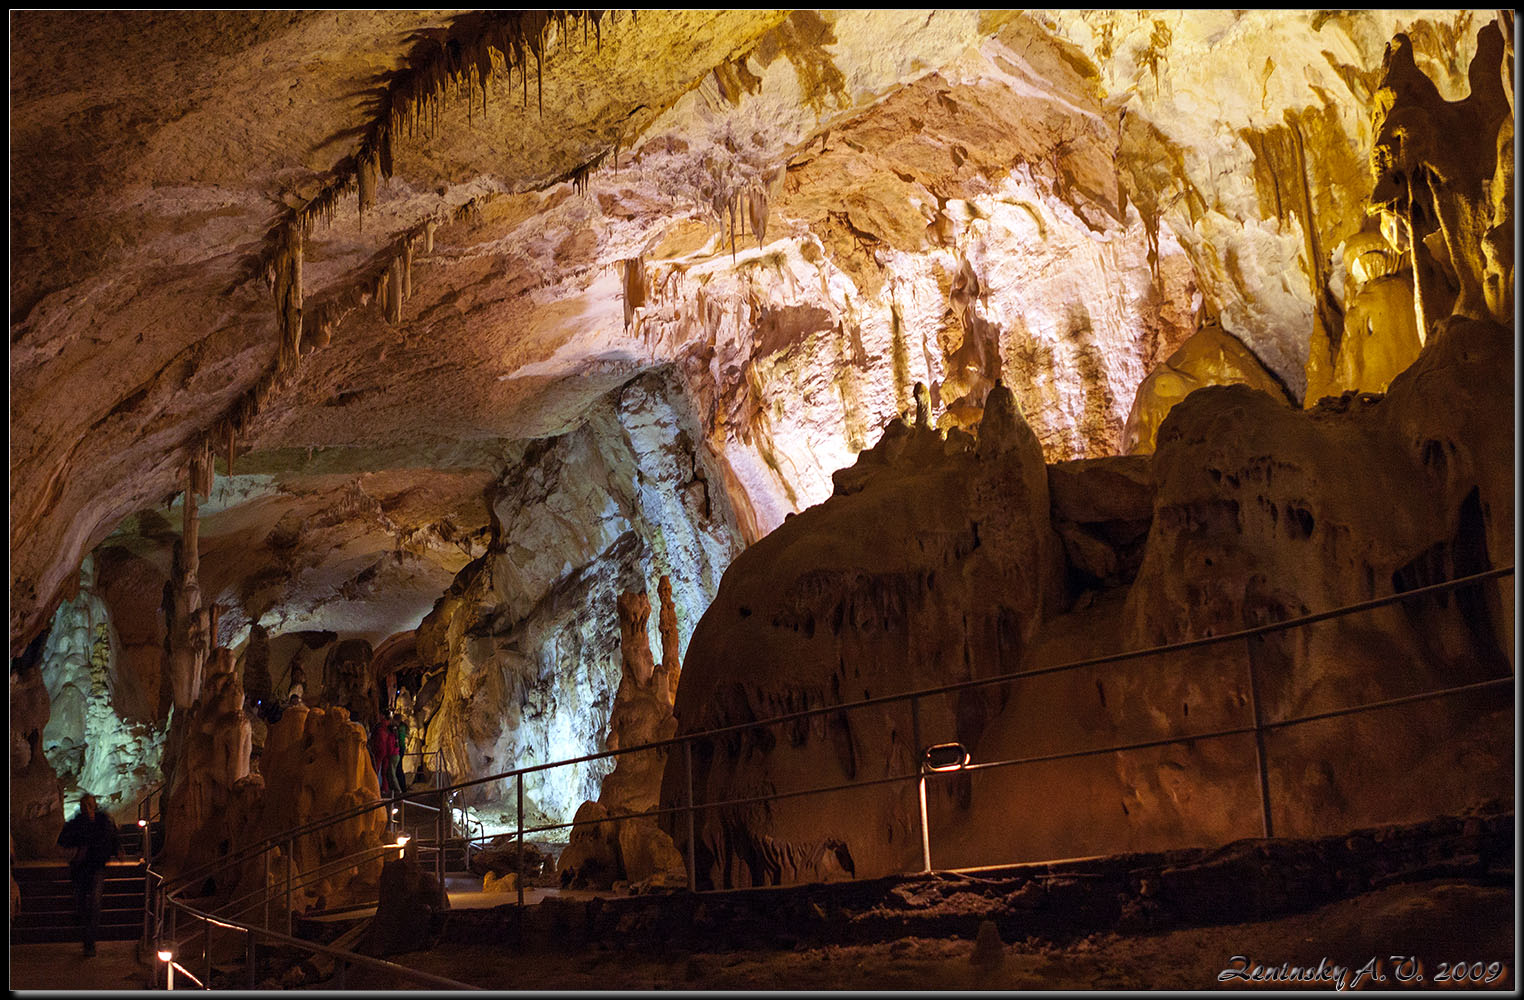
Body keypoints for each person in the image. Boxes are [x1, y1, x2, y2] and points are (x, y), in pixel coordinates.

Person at [57, 793, 120, 957]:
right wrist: (77, 851)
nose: (87, 808)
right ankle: (84, 931)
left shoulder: (103, 821)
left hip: (96, 867)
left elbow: (112, 837)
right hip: (80, 870)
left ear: (94, 805)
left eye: (89, 805)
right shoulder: (75, 824)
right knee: (82, 903)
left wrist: (117, 849)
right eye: (84, 805)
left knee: (94, 903)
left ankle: (89, 942)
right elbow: (62, 842)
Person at [370, 716, 400, 797]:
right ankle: (385, 789)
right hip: (389, 754)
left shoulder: (382, 731)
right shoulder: (392, 735)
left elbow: (387, 745)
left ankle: (376, 787)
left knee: (378, 770)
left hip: (383, 753)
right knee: (385, 772)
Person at [389, 712, 409, 796]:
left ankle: (401, 788)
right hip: (401, 748)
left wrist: (397, 747)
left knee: (398, 769)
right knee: (399, 768)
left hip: (399, 749)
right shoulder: (402, 727)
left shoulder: (399, 728)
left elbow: (400, 739)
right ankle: (402, 787)